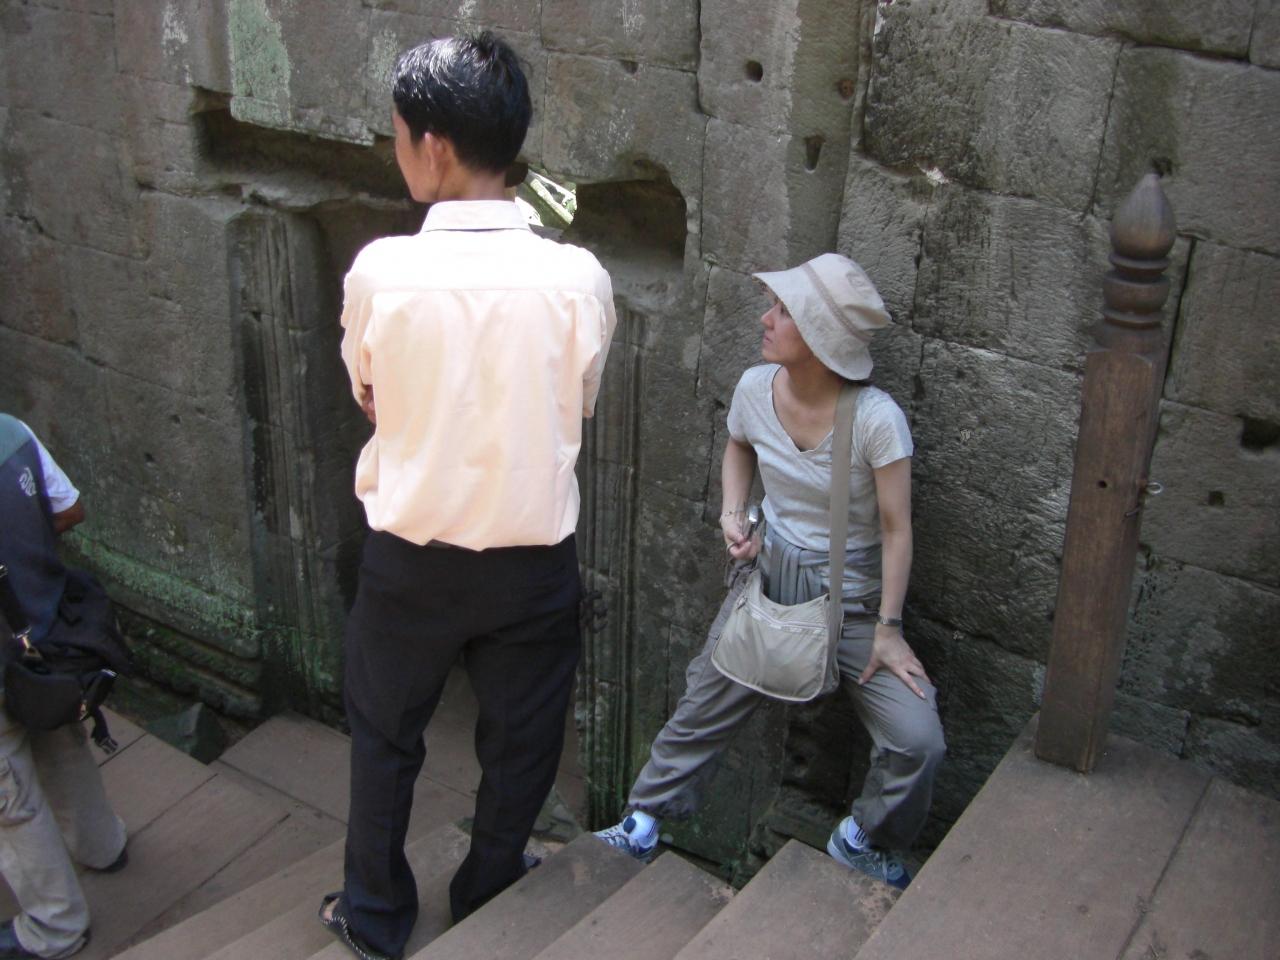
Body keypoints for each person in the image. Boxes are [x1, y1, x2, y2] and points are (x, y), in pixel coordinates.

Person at [319, 33, 617, 960]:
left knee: (385, 738)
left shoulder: (381, 270)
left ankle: (374, 913)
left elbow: (368, 390)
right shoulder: (579, 276)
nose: (397, 149)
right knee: (523, 744)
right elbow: (580, 400)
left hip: (409, 562)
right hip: (532, 563)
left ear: (435, 145)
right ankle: (487, 883)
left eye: (398, 133)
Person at [594, 254, 944, 890]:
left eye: (783, 311)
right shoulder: (757, 388)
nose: (765, 319)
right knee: (703, 703)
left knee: (918, 739)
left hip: (853, 605)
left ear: (818, 336)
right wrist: (734, 511)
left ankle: (863, 838)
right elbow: (739, 442)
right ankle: (643, 822)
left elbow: (898, 529)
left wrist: (889, 630)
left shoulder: (875, 420)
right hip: (769, 583)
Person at [0, 414, 128, 960]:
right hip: (45, 635)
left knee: (10, 797)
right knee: (61, 740)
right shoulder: (11, 432)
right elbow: (70, 507)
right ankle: (103, 845)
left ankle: (55, 926)